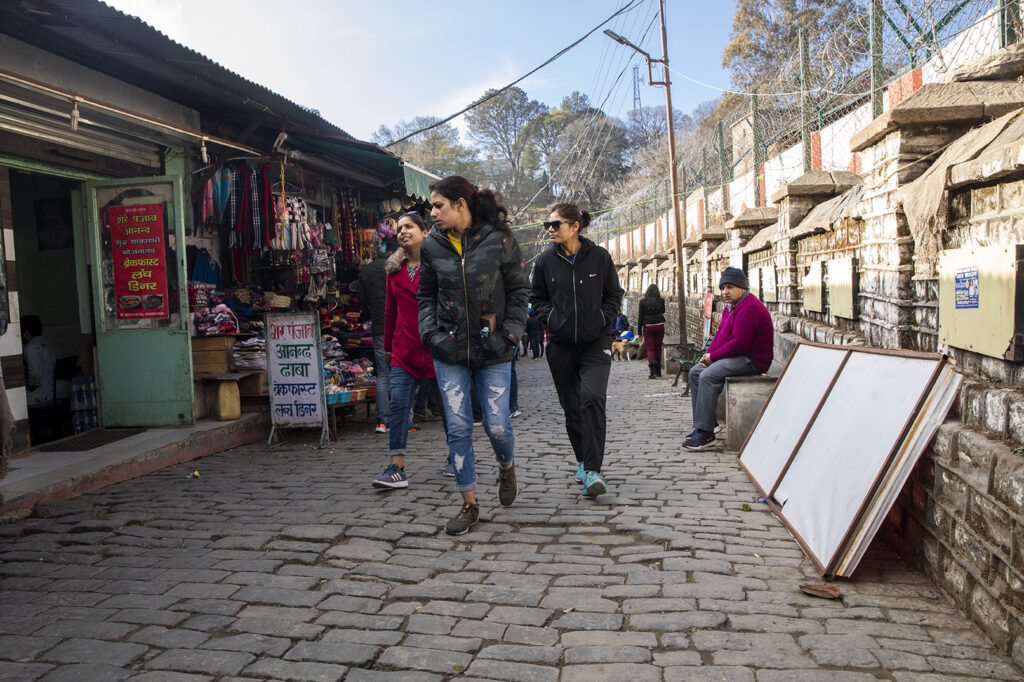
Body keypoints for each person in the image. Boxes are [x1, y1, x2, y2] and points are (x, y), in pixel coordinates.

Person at [418, 175, 530, 535]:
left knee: (497, 424)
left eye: (438, 205)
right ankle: (469, 504)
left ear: (460, 204)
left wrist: (509, 335)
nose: (433, 213)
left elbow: (519, 291)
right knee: (457, 426)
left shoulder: (499, 240)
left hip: (493, 347)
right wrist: (430, 334)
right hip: (448, 349)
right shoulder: (432, 245)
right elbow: (426, 295)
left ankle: (506, 466)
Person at [530, 203, 624, 497]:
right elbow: (537, 298)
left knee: (592, 398)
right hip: (560, 345)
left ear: (574, 226)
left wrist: (602, 320)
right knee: (572, 407)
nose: (550, 229)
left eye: (555, 224)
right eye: (547, 225)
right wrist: (552, 319)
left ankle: (594, 471)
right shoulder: (545, 262)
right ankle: (582, 461)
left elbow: (614, 294)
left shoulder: (599, 257)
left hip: (595, 342)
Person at [372, 213, 448, 489]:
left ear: (426, 232)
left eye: (409, 227)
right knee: (399, 406)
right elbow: (390, 312)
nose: (402, 231)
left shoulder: (440, 266)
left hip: (438, 349)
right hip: (404, 351)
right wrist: (388, 349)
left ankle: (458, 456)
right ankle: (396, 467)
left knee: (448, 408)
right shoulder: (394, 270)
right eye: (400, 228)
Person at [685, 266, 774, 451]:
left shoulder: (749, 307)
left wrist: (714, 357)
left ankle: (706, 434)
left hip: (752, 360)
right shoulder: (731, 307)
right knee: (695, 372)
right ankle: (707, 423)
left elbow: (739, 343)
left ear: (742, 287)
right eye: (723, 288)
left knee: (708, 376)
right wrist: (707, 356)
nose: (725, 292)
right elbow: (721, 336)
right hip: (737, 356)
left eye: (730, 287)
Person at [356, 236, 399, 433]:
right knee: (402, 372)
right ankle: (405, 418)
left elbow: (361, 298)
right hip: (401, 326)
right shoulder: (402, 267)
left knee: (383, 373)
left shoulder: (368, 269)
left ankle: (382, 419)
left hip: (380, 327)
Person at [22, 315, 58, 444]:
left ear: (26, 334)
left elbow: (35, 376)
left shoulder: (32, 347)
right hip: (54, 395)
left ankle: (32, 440)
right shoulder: (50, 344)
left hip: (40, 400)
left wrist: (30, 385)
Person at [637, 284, 666, 379]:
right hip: (659, 325)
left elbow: (640, 317)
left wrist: (639, 332)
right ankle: (658, 370)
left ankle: (652, 371)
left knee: (650, 349)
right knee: (658, 348)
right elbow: (663, 311)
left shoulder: (642, 302)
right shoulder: (661, 301)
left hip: (648, 326)